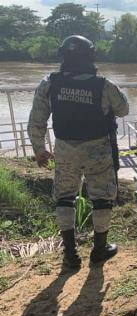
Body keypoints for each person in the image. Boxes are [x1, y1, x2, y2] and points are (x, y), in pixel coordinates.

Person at [27, 35, 129, 268]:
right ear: (91, 57)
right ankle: (99, 250)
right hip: (98, 151)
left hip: (64, 150)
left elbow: (36, 120)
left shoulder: (49, 83)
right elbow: (123, 110)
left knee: (64, 197)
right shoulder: (103, 85)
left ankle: (70, 254)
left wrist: (39, 149)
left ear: (62, 56)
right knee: (102, 198)